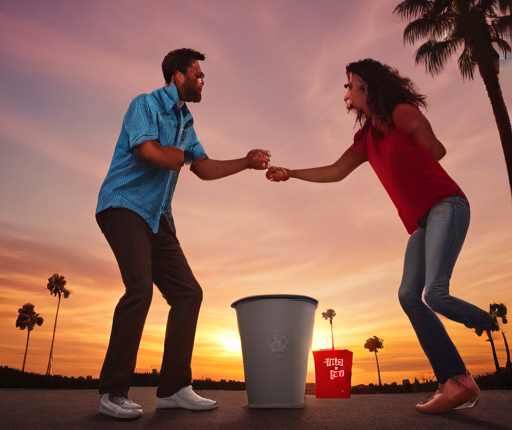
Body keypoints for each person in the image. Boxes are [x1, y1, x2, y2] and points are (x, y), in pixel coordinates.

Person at [266, 58, 502, 414]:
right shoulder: (365, 138)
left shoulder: (401, 113)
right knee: (409, 296)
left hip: (447, 205)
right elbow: (335, 171)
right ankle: (455, 383)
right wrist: (291, 173)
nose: (346, 91)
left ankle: (482, 321)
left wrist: (417, 128)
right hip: (423, 221)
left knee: (434, 294)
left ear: (367, 87)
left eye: (350, 84)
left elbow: (436, 151)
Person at [96, 48, 270, 419]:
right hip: (123, 205)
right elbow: (148, 153)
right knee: (140, 289)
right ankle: (112, 392)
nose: (202, 80)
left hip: (158, 218)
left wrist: (246, 162)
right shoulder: (144, 104)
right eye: (197, 74)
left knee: (188, 294)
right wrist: (181, 157)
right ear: (177, 76)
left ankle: (173, 389)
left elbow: (203, 168)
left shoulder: (185, 121)